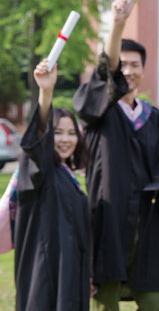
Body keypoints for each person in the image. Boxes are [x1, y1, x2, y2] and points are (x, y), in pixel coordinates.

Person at [74, 0, 159, 311]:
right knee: (107, 301)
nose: (128, 71)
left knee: (153, 300)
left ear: (144, 69)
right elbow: (106, 71)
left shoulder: (153, 117)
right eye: (123, 64)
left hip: (146, 224)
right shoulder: (99, 111)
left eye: (135, 65)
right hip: (107, 220)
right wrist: (117, 24)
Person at [14, 59, 90, 310]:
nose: (66, 140)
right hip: (44, 272)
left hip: (70, 274)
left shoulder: (68, 176)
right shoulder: (41, 170)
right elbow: (37, 146)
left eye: (71, 133)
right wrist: (46, 93)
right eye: (57, 132)